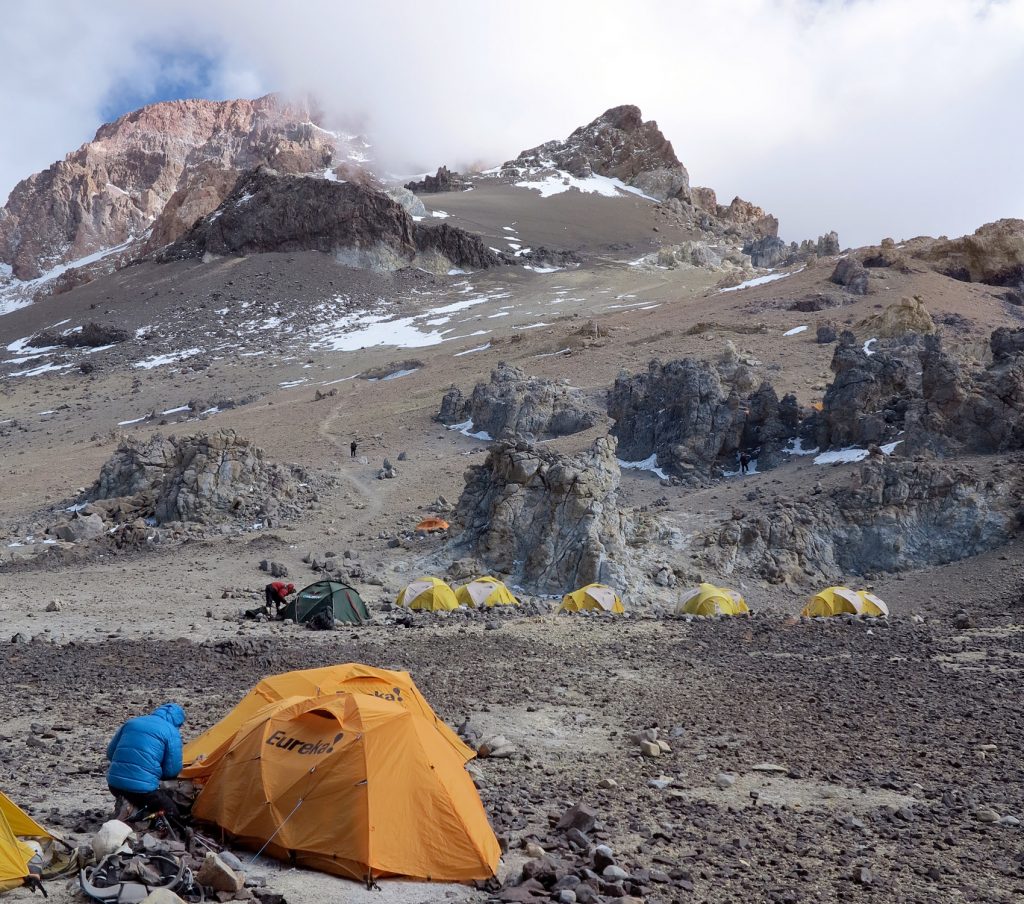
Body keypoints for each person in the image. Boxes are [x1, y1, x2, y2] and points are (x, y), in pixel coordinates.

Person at [107, 703, 186, 819]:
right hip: (143, 792)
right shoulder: (171, 732)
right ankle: (136, 813)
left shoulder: (131, 723)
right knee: (172, 812)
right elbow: (171, 771)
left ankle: (130, 807)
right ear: (178, 722)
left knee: (143, 797)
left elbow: (110, 753)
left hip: (114, 786)